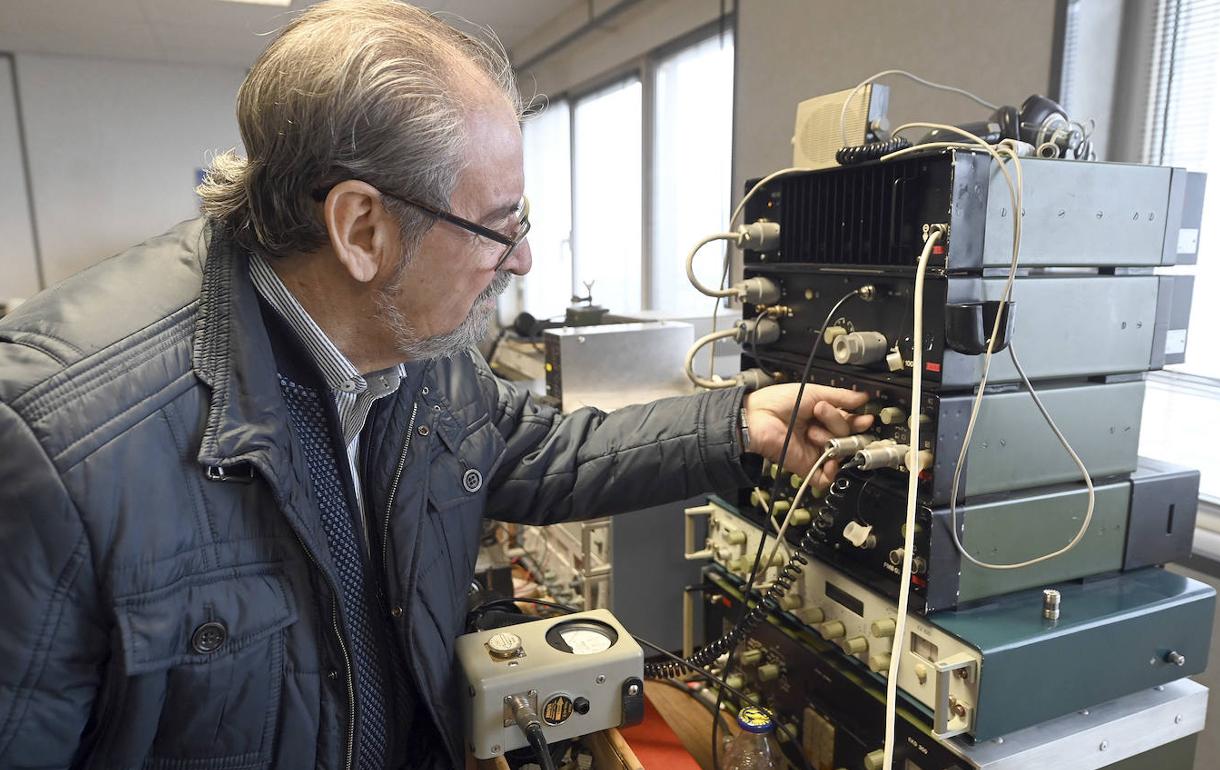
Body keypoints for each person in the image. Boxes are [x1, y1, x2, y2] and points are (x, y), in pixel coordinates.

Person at [0, 2, 871, 768]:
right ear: (362, 229)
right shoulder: (58, 444)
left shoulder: (421, 346)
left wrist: (740, 424)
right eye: (498, 226)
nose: (522, 258)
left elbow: (538, 451)